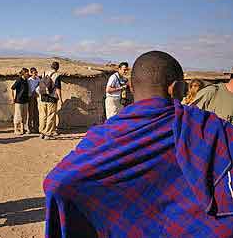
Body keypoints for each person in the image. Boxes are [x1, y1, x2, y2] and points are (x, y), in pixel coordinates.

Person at [43, 51, 233, 238]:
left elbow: (56, 183)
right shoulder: (206, 128)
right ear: (175, 88)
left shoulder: (104, 135)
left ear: (132, 87)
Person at [37, 61, 62, 140]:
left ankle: (41, 132)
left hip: (43, 97)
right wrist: (60, 99)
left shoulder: (45, 73)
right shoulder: (57, 75)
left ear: (51, 66)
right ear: (57, 68)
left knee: (42, 115)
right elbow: (58, 88)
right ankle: (48, 134)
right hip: (52, 98)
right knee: (50, 116)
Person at [11, 68, 30, 135]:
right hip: (19, 101)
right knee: (18, 115)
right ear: (24, 73)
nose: (28, 74)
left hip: (25, 100)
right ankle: (15, 129)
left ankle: (22, 129)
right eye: (27, 72)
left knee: (24, 116)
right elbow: (12, 88)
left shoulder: (26, 80)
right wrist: (13, 98)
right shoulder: (19, 80)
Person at [27, 67, 40, 134]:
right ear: (31, 73)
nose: (35, 74)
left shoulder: (38, 79)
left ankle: (36, 128)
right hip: (30, 97)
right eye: (34, 73)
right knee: (30, 113)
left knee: (36, 113)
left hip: (36, 97)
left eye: (36, 73)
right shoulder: (29, 80)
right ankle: (29, 128)